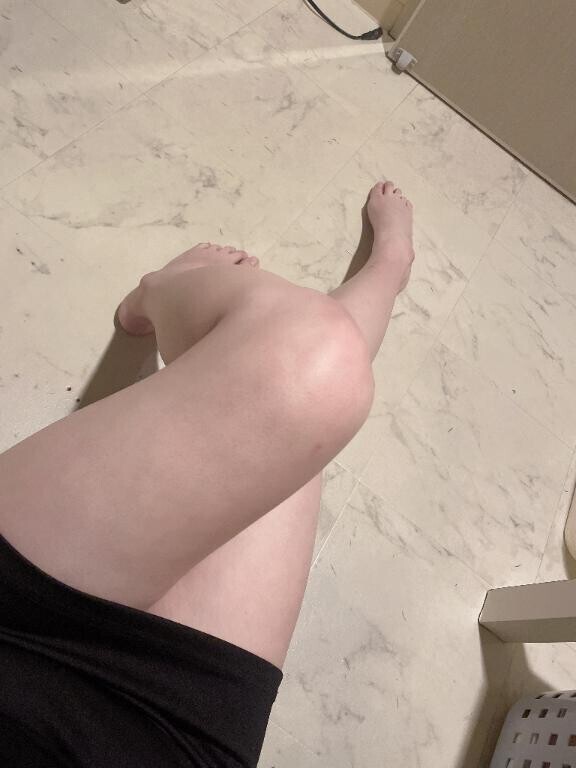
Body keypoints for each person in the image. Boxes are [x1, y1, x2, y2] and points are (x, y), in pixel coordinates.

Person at [0, 181, 414, 767]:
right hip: (150, 739)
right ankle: (386, 268)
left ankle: (163, 294)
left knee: (305, 377)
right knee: (313, 376)